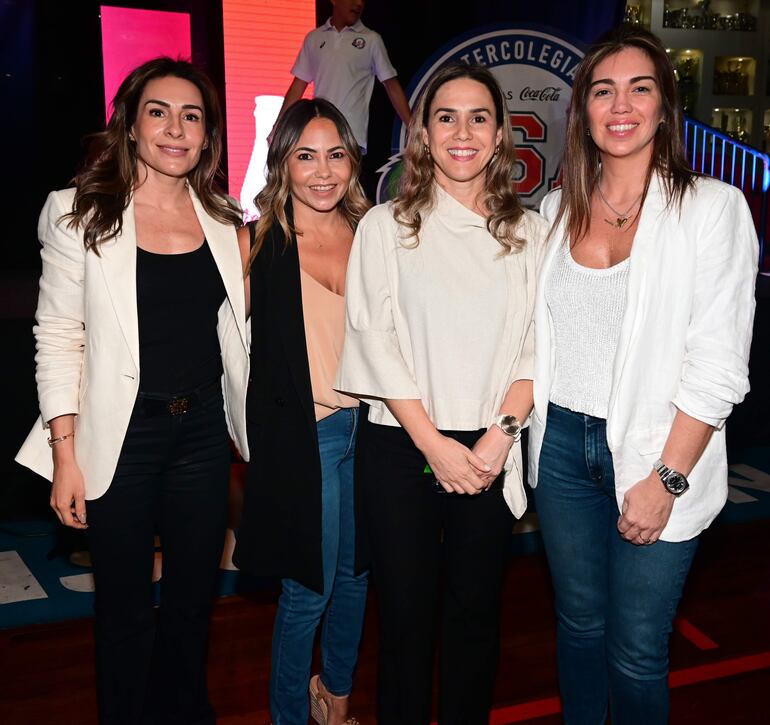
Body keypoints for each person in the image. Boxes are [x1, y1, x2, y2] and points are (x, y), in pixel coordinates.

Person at [529, 26, 758, 724]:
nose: (620, 104)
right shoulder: (553, 208)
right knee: (579, 628)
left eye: (640, 88)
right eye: (603, 90)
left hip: (659, 452)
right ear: (584, 109)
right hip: (562, 447)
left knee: (634, 650)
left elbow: (719, 366)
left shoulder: (712, 209)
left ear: (665, 107)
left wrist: (667, 479)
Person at [16, 58, 250, 725]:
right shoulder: (77, 212)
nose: (176, 128)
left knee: (190, 597)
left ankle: (186, 710)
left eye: (192, 115)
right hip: (118, 432)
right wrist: (66, 454)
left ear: (208, 136)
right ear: (131, 124)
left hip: (203, 433)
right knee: (121, 605)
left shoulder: (225, 219)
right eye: (159, 111)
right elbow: (57, 337)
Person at [335, 62, 549, 724]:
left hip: (491, 448)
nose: (463, 132)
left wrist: (494, 440)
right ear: (423, 133)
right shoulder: (385, 226)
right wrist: (436, 444)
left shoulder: (533, 232)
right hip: (402, 448)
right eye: (446, 117)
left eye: (478, 116)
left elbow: (540, 350)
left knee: (475, 618)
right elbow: (374, 340)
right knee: (403, 622)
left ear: (501, 132)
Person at [232, 98, 370, 725]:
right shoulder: (255, 241)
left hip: (371, 435)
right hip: (303, 440)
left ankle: (334, 700)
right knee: (307, 592)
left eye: (335, 155)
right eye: (305, 155)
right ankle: (290, 715)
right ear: (281, 162)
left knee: (358, 579)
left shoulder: (375, 234)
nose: (322, 171)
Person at [270, 0, 411, 157]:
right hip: (319, 131)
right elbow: (298, 86)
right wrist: (278, 126)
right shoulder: (314, 38)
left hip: (350, 136)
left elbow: (392, 86)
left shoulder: (371, 40)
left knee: (344, 180)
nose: (358, 4)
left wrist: (413, 127)